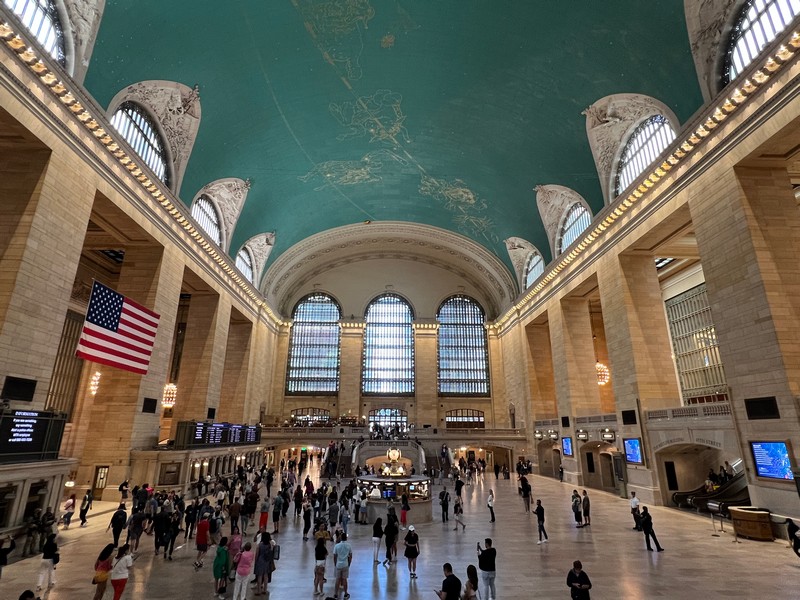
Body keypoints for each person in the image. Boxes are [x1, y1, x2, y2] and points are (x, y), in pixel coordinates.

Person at [254, 531, 276, 595]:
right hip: (267, 561)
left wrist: (256, 561)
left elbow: (257, 554)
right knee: (266, 576)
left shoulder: (259, 545)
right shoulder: (269, 545)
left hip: (260, 561)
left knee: (260, 576)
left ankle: (259, 591)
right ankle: (265, 590)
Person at [333, 531, 353, 599]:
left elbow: (335, 556)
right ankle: (346, 593)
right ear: (346, 538)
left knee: (337, 579)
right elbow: (350, 556)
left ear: (341, 538)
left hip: (338, 564)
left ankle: (336, 594)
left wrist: (335, 563)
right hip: (345, 564)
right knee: (344, 579)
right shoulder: (349, 546)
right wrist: (349, 563)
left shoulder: (337, 546)